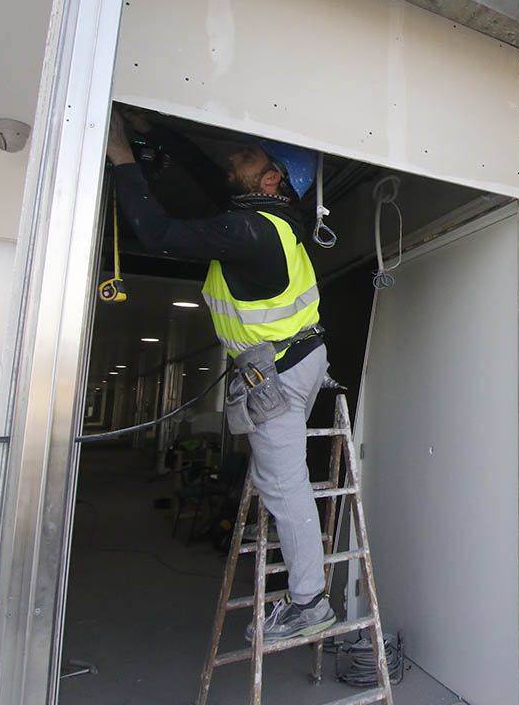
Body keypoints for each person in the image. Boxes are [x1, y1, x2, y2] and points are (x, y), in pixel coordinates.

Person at [105, 107, 337, 643]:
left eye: (248, 155)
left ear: (272, 178)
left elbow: (158, 232)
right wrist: (154, 132)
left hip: (278, 371)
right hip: (299, 357)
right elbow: (213, 175)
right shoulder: (269, 219)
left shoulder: (248, 231)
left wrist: (122, 157)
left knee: (285, 484)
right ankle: (309, 591)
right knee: (280, 476)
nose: (233, 156)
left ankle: (310, 602)